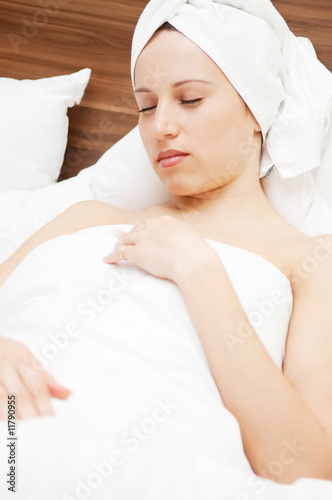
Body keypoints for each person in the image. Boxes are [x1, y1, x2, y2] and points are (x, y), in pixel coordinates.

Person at [1, 0, 332, 485]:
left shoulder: (310, 261)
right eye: (146, 105)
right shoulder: (85, 217)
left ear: (256, 111)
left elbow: (307, 466)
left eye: (191, 99)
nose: (160, 128)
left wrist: (200, 273)